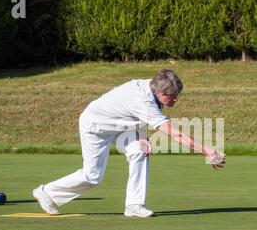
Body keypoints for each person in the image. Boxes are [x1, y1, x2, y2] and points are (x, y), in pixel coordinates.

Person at [33, 69, 225, 217]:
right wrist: (207, 151)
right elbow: (175, 135)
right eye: (171, 96)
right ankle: (47, 192)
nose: (175, 99)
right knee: (92, 176)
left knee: (140, 151)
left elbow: (134, 114)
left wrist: (143, 136)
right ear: (158, 91)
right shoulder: (143, 100)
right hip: (96, 126)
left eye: (176, 95)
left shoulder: (149, 88)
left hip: (122, 124)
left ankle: (134, 205)